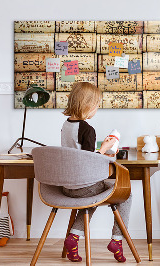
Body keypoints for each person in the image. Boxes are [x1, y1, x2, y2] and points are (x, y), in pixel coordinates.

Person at [61, 82, 131, 263]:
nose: (97, 109)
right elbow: (89, 161)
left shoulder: (66, 125)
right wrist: (106, 148)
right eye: (97, 105)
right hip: (84, 186)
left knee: (91, 198)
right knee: (126, 194)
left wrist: (101, 149)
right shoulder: (87, 129)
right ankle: (117, 240)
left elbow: (78, 154)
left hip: (67, 186)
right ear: (88, 105)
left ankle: (73, 238)